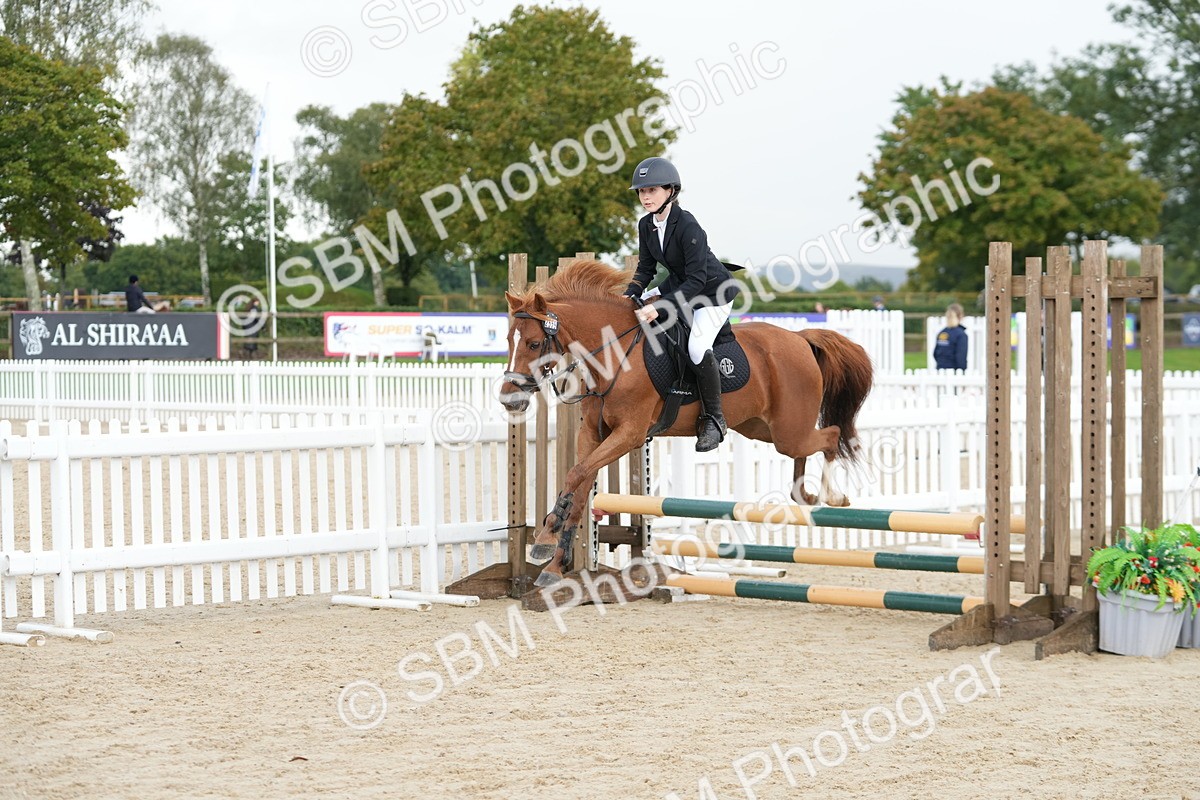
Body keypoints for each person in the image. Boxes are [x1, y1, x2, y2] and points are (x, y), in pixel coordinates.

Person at [623, 156, 739, 452]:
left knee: (698, 347)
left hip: (712, 293)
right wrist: (632, 293)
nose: (645, 197)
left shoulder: (688, 225)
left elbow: (698, 280)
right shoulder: (646, 224)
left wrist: (661, 305)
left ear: (670, 191)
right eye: (641, 191)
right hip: (680, 285)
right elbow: (646, 269)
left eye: (652, 190)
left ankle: (715, 419)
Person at [933, 303, 969, 371]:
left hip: (940, 370)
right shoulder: (961, 335)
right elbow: (961, 357)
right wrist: (962, 371)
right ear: (961, 316)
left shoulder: (942, 333)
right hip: (954, 372)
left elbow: (935, 353)